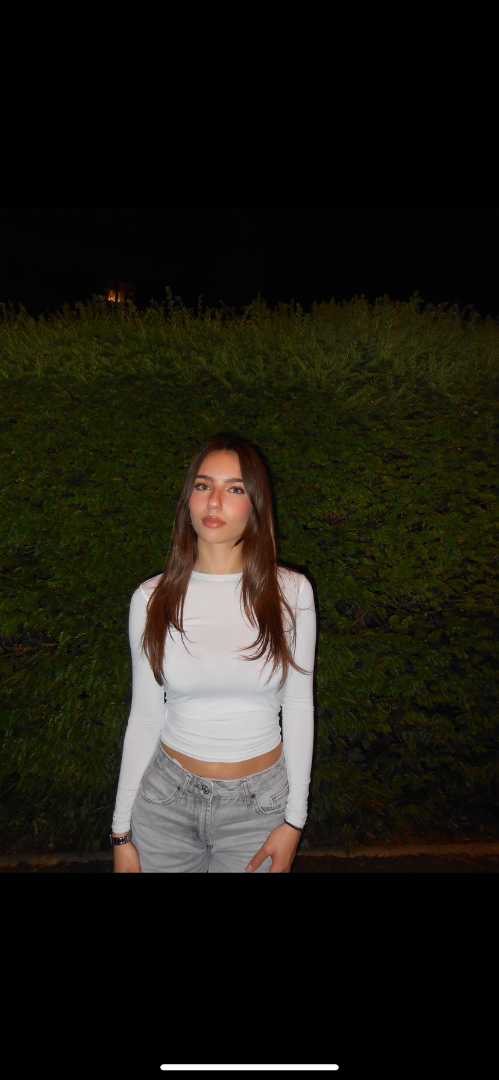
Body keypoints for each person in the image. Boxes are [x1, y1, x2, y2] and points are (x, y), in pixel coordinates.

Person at [111, 433, 316, 872]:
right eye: (203, 486)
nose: (215, 501)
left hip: (259, 811)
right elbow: (145, 717)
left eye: (235, 488)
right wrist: (120, 832)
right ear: (188, 500)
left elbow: (299, 708)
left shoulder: (292, 593)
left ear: (256, 506)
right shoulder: (150, 599)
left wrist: (293, 823)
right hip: (165, 805)